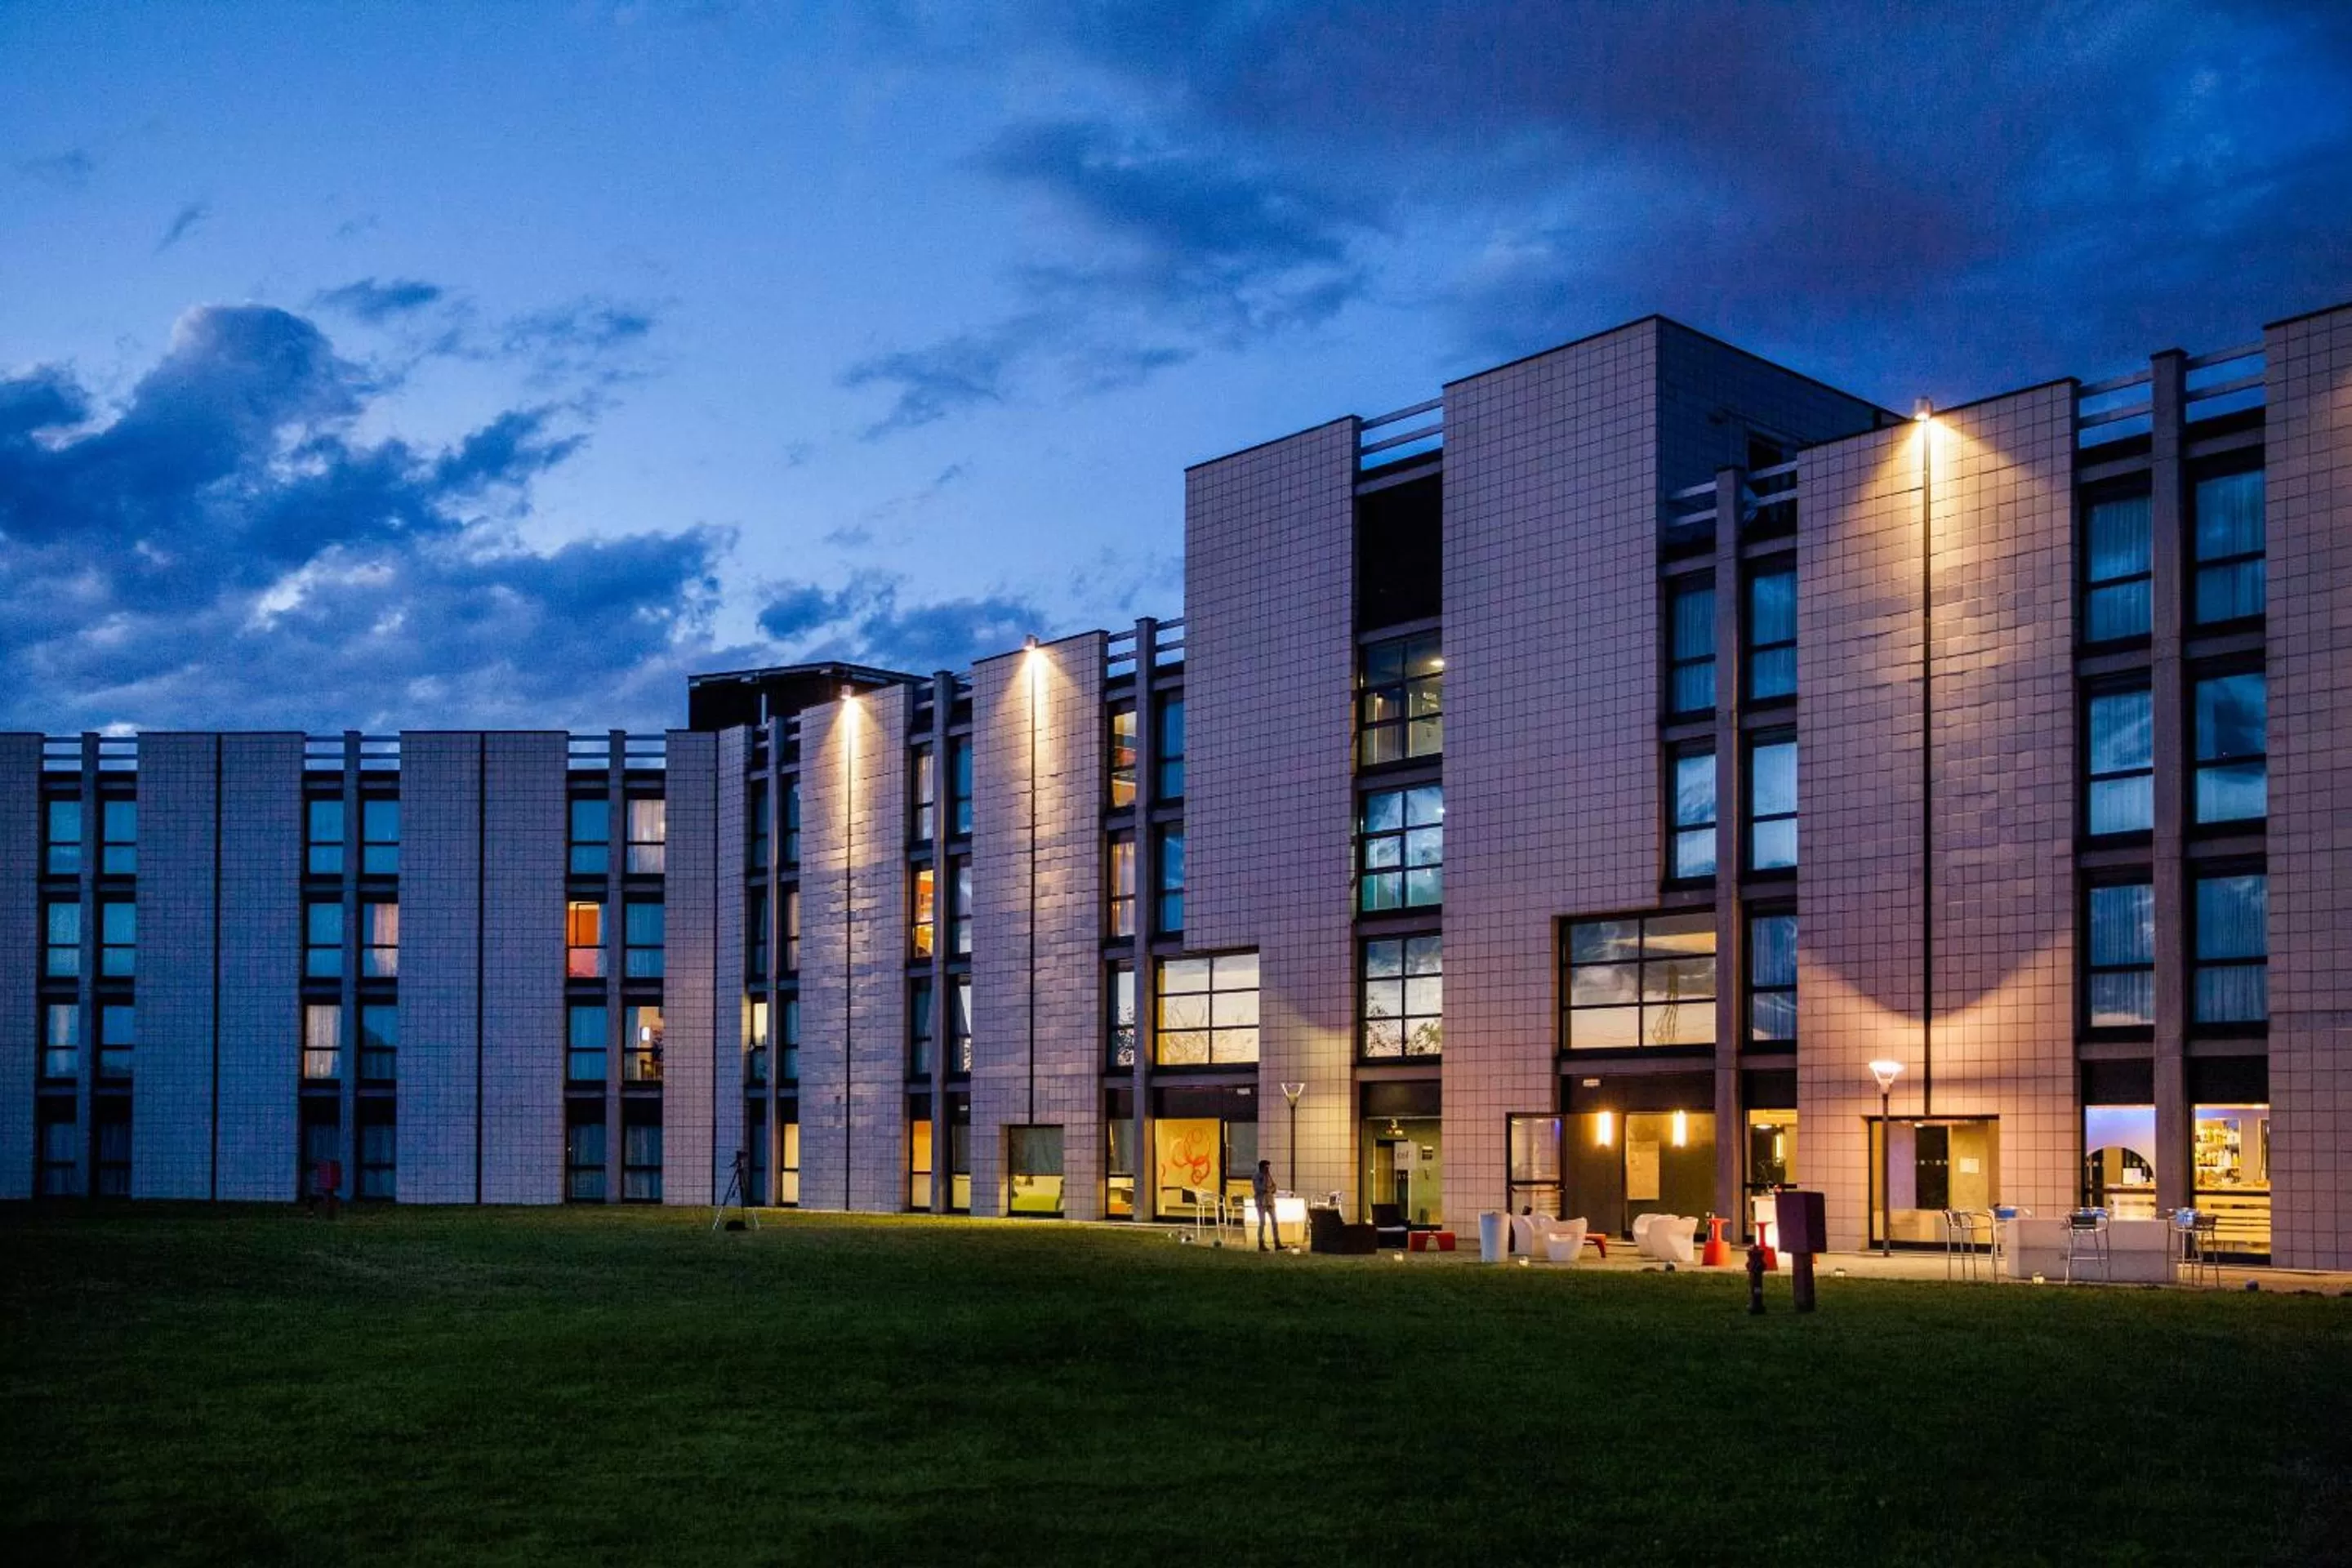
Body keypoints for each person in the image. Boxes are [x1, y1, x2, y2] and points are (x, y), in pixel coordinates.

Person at [1253, 1159, 1278, 1251]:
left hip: (1270, 1202)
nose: (1267, 1169)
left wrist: (1271, 1189)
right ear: (1262, 1167)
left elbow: (1274, 1187)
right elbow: (1259, 1188)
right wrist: (1267, 1187)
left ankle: (1277, 1242)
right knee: (1262, 1223)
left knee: (1275, 1222)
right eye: (1266, 1167)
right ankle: (1261, 1243)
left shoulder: (1269, 1176)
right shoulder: (1257, 1176)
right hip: (1261, 1202)